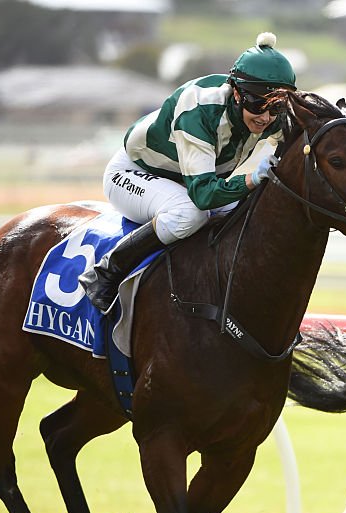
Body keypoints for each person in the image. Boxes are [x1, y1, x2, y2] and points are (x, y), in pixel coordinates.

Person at [79, 32, 297, 313]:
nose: (266, 117)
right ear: (236, 93)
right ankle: (105, 272)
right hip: (133, 173)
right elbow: (204, 196)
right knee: (189, 214)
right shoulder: (199, 109)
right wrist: (252, 179)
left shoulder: (268, 112)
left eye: (276, 107)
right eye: (257, 105)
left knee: (248, 215)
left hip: (188, 180)